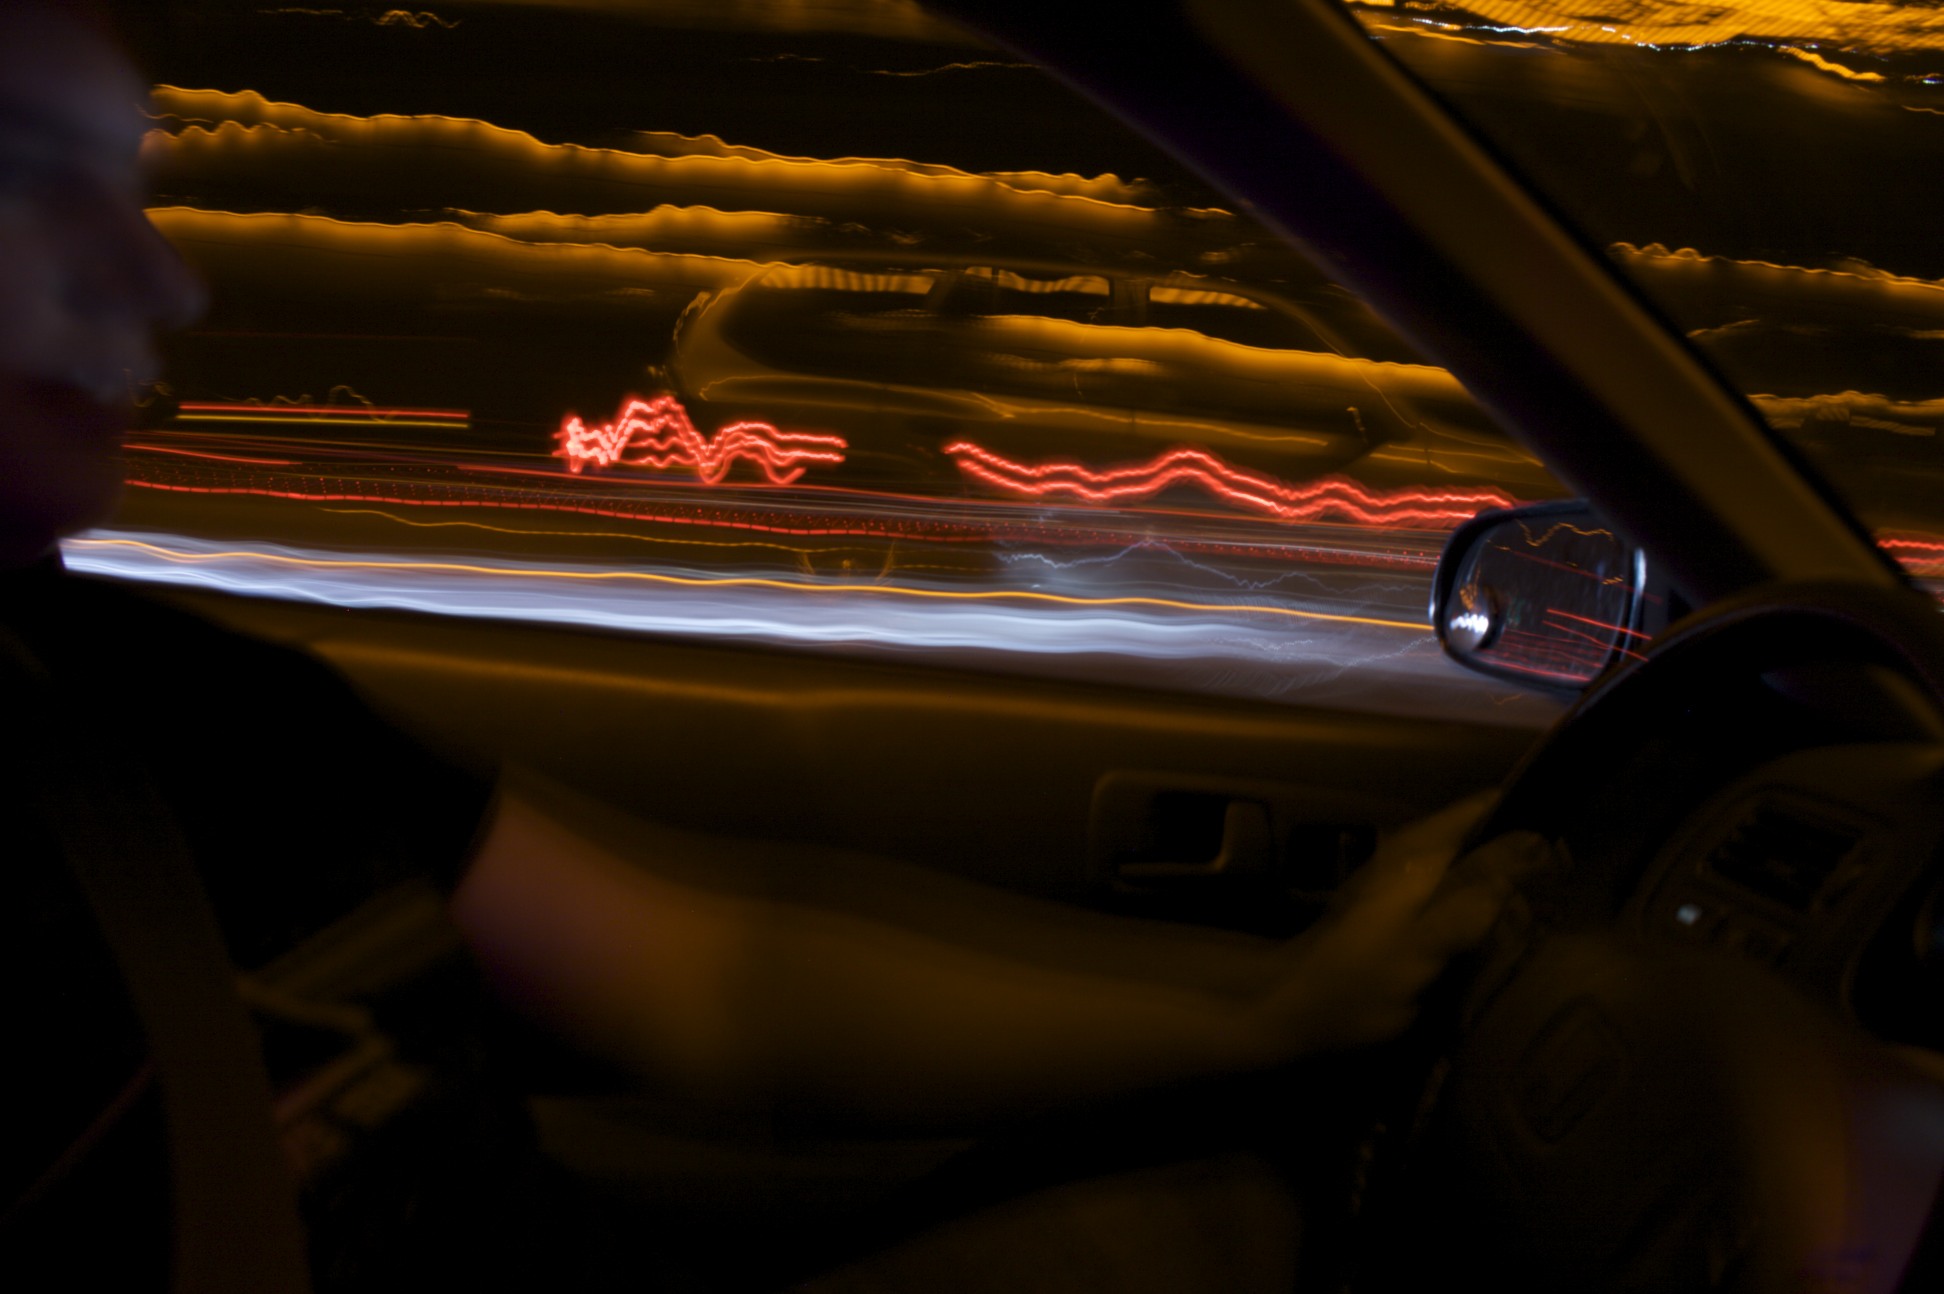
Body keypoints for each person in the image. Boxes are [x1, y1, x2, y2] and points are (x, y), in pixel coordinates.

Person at [0, 1, 1538, 1288]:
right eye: (37, 182)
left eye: (123, 183)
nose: (156, 276)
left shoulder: (164, 705)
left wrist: (1272, 1014)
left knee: (1219, 1229)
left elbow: (717, 968)